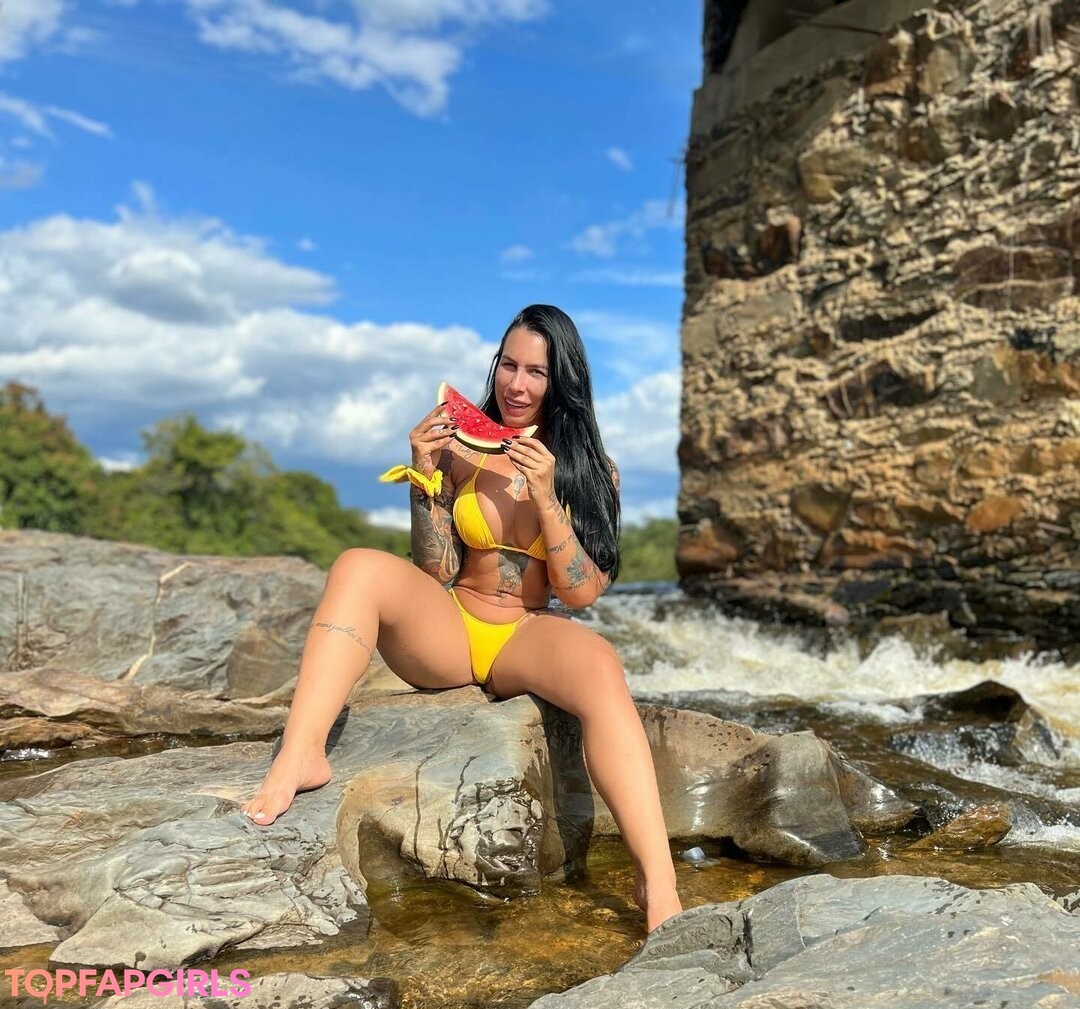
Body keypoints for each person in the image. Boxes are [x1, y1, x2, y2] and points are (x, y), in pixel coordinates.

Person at [241, 304, 682, 932]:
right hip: (449, 628)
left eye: (536, 372)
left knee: (601, 666)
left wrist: (548, 499)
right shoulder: (458, 448)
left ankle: (657, 884)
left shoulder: (593, 471)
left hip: (523, 635)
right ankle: (301, 753)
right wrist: (424, 476)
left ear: (563, 382)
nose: (517, 385)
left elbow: (583, 593)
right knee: (359, 565)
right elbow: (435, 568)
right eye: (508, 365)